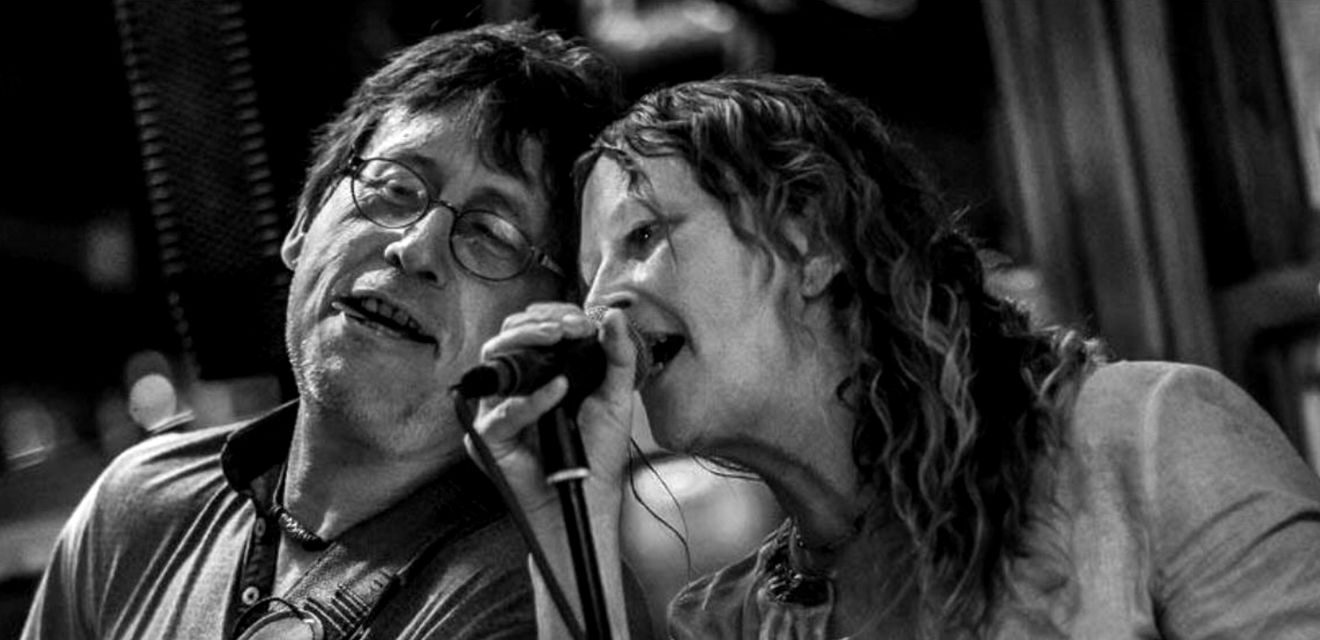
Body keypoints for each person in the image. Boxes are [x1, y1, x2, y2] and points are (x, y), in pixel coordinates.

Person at [473, 74, 1320, 639]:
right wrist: (563, 511)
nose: (599, 306)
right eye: (589, 276)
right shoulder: (733, 623)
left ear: (810, 240)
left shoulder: (1147, 437)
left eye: (644, 237)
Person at [20, 22, 622, 639]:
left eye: (491, 233)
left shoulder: (531, 596)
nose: (417, 247)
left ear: (552, 321)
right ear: (303, 221)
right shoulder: (139, 508)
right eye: (396, 188)